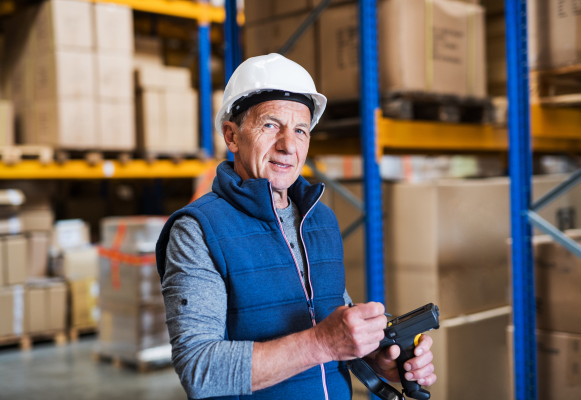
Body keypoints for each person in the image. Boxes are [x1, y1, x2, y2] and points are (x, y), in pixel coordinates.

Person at [155, 53, 436, 400]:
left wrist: (377, 358)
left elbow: (329, 326)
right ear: (232, 135)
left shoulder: (320, 220)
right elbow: (199, 369)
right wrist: (321, 343)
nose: (288, 145)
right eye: (271, 125)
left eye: (300, 130)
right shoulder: (198, 230)